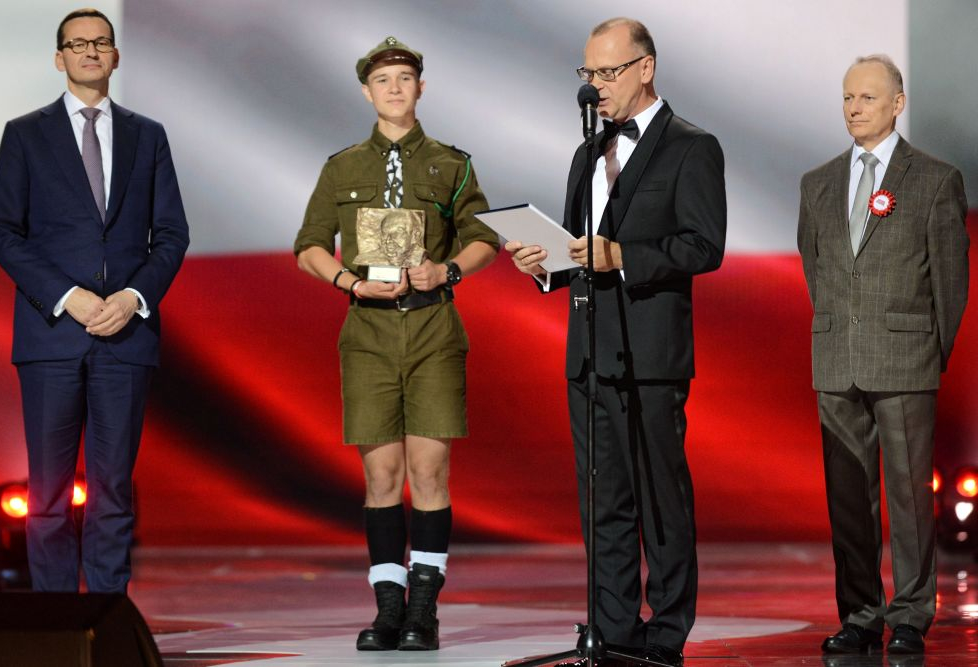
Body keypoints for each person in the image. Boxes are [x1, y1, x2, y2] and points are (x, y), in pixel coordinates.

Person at [506, 17, 726, 667]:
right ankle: (612, 622)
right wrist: (546, 262)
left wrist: (621, 255)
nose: (596, 86)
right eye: (588, 74)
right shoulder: (586, 151)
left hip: (652, 352)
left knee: (659, 495)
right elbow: (581, 250)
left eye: (607, 72)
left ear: (646, 68)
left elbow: (702, 244)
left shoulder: (692, 146)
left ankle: (666, 628)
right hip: (589, 350)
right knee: (602, 497)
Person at [294, 36, 498, 651]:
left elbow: (483, 236)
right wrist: (348, 280)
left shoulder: (451, 163)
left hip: (433, 326)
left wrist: (448, 271)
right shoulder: (342, 166)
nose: (394, 88)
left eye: (404, 78)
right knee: (381, 476)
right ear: (366, 91)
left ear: (420, 88)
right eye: (382, 80)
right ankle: (388, 609)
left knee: (429, 471)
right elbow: (308, 245)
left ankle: (425, 611)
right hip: (368, 332)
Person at [0, 8, 190, 593]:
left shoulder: (146, 135)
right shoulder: (25, 133)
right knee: (47, 493)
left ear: (116, 55)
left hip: (125, 337)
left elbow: (171, 235)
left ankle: (106, 615)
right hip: (51, 337)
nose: (91, 52)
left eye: (101, 42)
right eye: (78, 44)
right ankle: (56, 620)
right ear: (60, 57)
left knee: (113, 489)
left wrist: (132, 298)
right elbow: (6, 233)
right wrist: (68, 296)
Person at [797, 55, 968, 656]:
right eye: (847, 98)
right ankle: (861, 613)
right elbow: (816, 270)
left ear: (897, 104)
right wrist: (841, 328)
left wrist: (927, 350)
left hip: (905, 359)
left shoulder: (934, 179)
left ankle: (914, 612)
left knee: (908, 495)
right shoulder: (817, 183)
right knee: (848, 497)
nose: (853, 108)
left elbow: (951, 281)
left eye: (867, 98)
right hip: (837, 360)